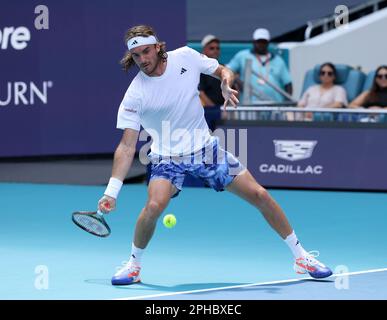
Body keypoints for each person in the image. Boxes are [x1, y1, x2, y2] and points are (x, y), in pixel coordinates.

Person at [98, 25, 332, 286]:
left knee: (260, 195)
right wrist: (111, 191)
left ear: (157, 47)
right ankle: (133, 265)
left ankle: (301, 257)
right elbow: (127, 146)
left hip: (206, 150)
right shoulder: (135, 93)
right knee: (153, 206)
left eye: (146, 52)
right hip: (167, 157)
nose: (143, 60)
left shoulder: (185, 57)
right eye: (137, 56)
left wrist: (225, 81)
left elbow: (222, 69)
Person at [226, 28, 292, 103]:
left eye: (263, 42)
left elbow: (288, 83)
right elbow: (227, 70)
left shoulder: (278, 60)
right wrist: (237, 81)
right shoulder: (242, 56)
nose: (261, 44)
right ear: (253, 42)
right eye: (258, 41)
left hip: (275, 106)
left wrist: (287, 102)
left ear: (268, 43)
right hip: (250, 106)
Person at [198, 34, 225, 107]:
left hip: (223, 111)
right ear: (204, 50)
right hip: (207, 111)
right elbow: (200, 92)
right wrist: (215, 109)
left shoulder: (223, 68)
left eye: (217, 48)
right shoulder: (200, 68)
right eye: (212, 48)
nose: (215, 50)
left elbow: (232, 89)